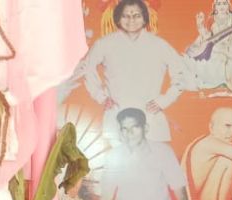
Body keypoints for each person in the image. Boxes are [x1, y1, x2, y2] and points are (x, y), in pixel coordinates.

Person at [75, 0, 188, 143]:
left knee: (154, 155)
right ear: (117, 18)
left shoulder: (159, 45)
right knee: (117, 155)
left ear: (145, 18)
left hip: (151, 118)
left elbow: (181, 74)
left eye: (136, 15)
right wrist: (101, 97)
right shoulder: (104, 44)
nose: (131, 20)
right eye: (125, 16)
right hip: (116, 117)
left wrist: (164, 100)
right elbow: (87, 68)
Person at [94, 107, 198, 200]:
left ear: (146, 128)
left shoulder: (163, 151)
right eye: (124, 129)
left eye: (135, 127)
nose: (129, 133)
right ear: (120, 132)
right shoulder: (114, 155)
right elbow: (107, 194)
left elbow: (178, 184)